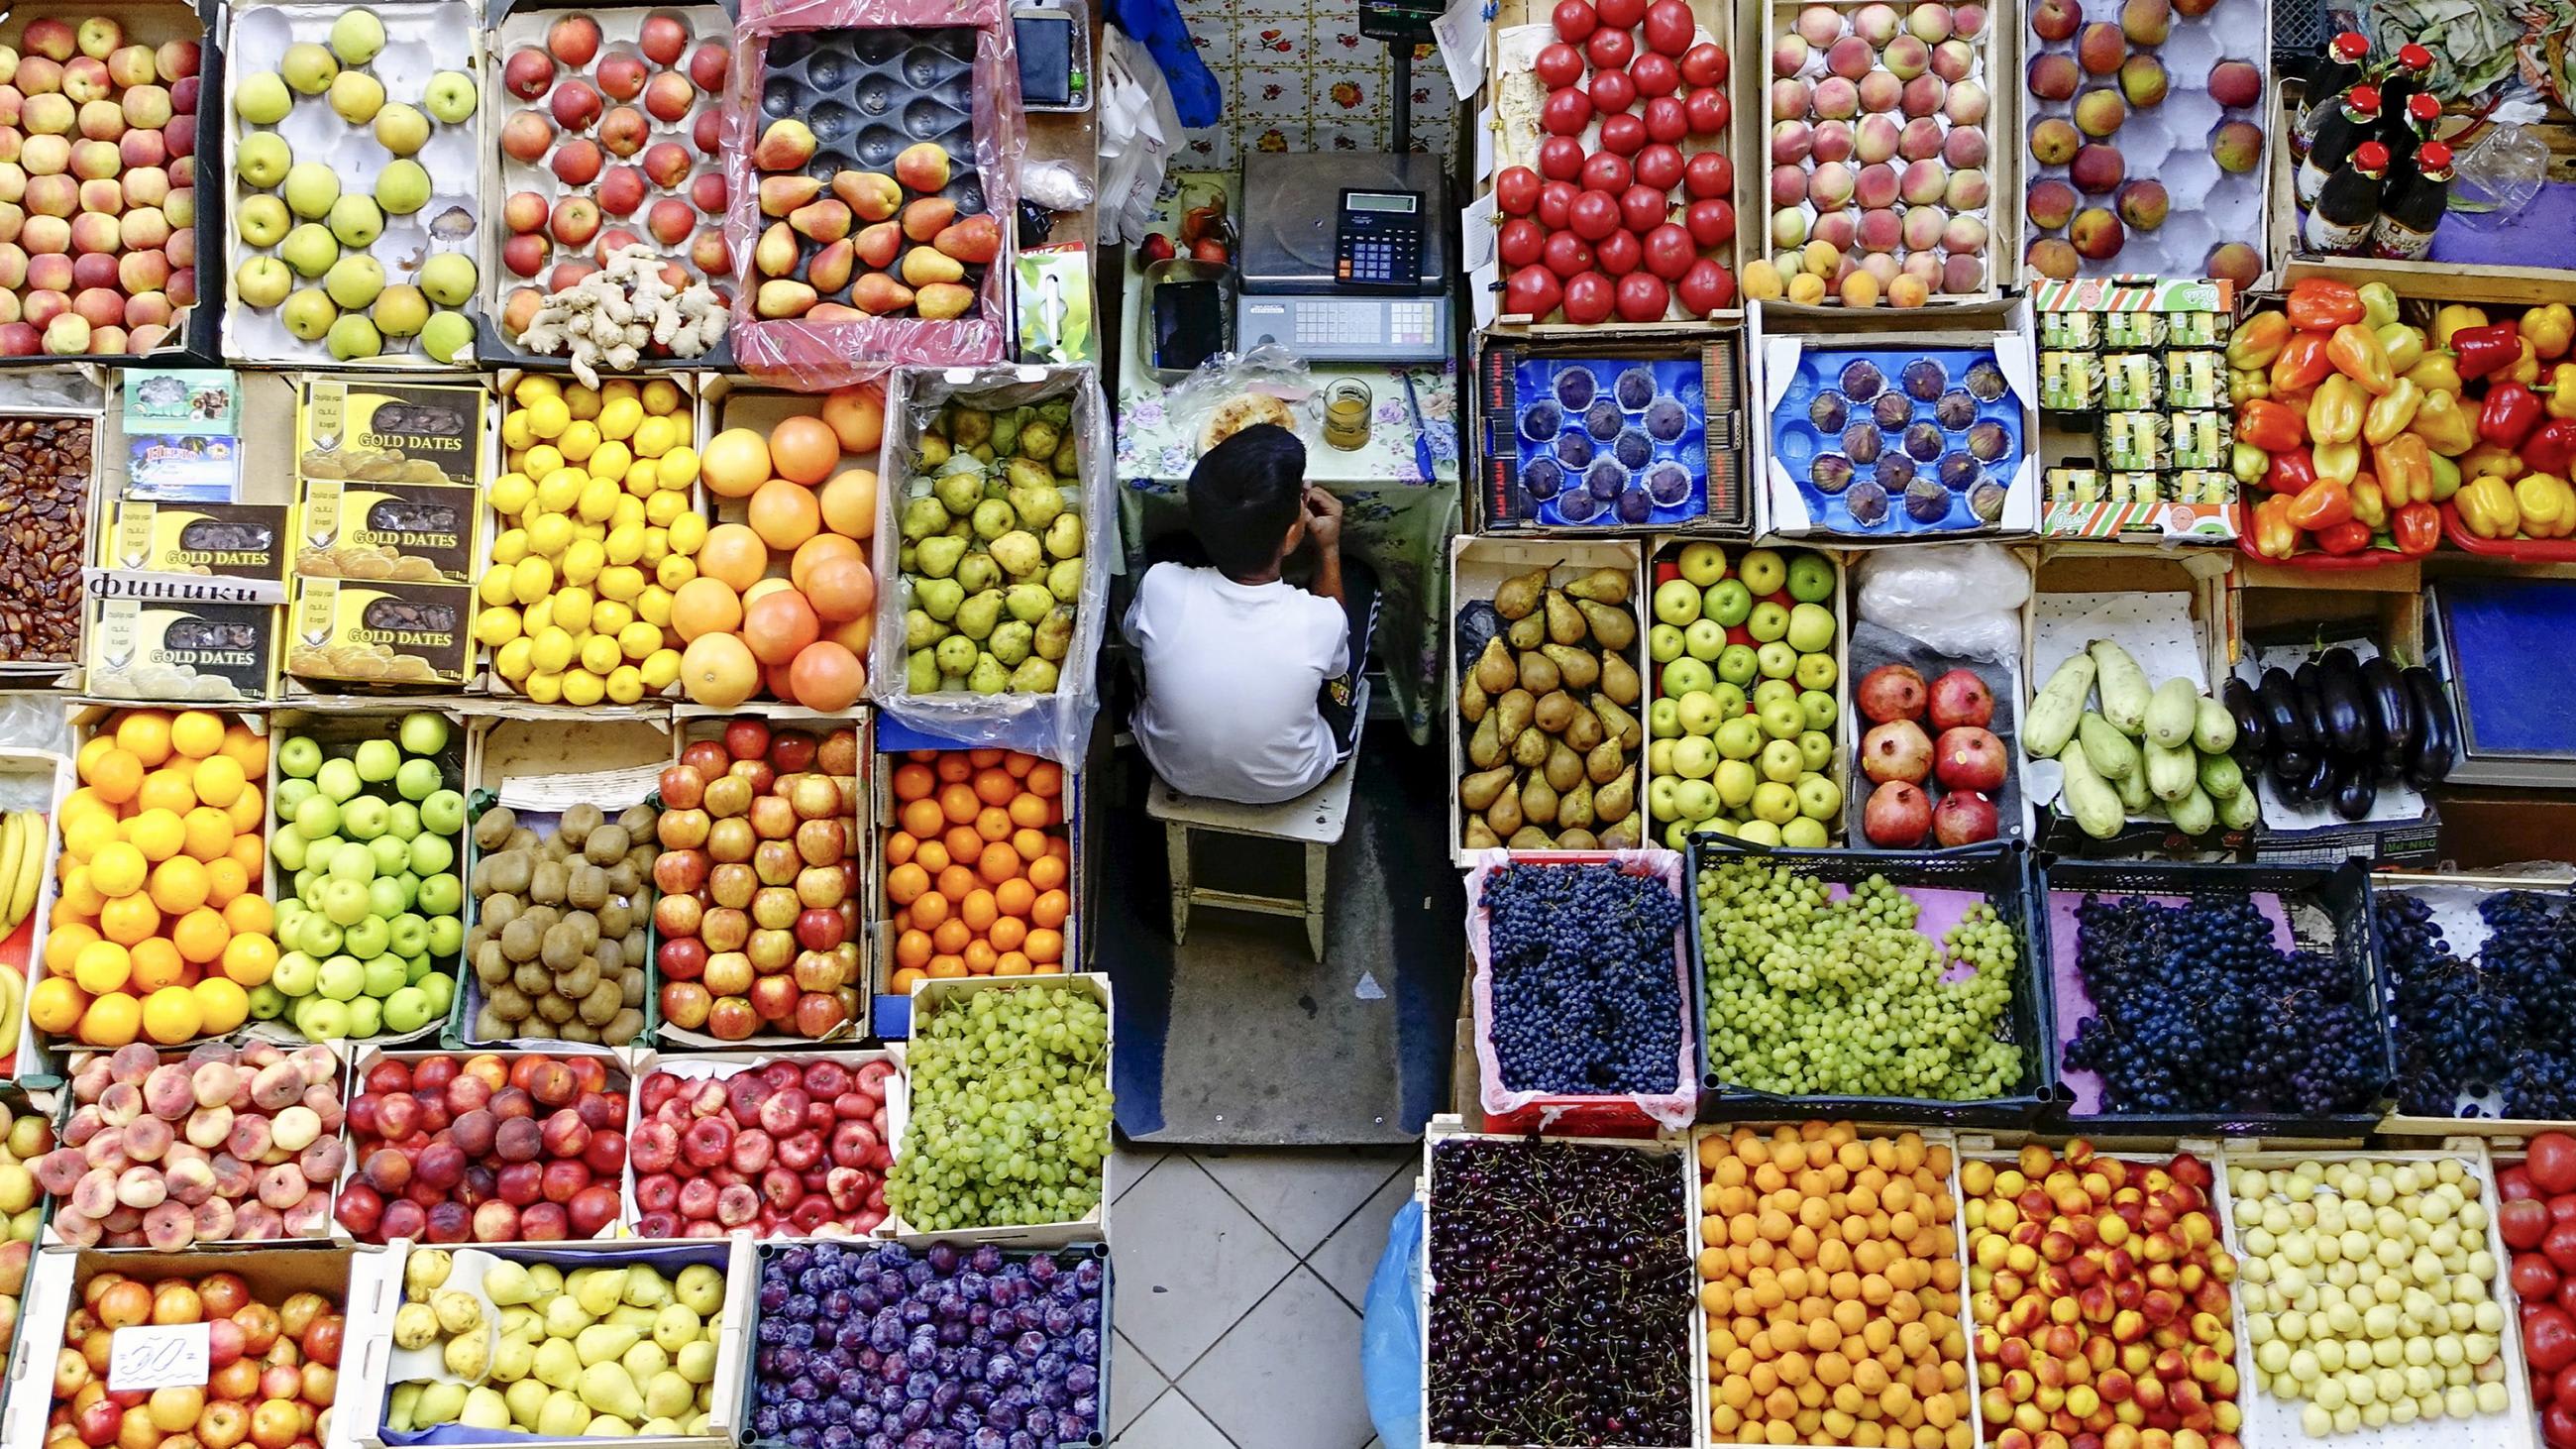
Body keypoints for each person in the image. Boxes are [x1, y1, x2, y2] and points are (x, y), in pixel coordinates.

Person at [1124, 423, 1377, 805]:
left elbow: (1133, 638)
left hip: (1171, 766)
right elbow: (1334, 668)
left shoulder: (1159, 584)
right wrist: (1328, 548)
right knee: (1357, 582)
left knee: (1166, 550)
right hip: (1290, 780)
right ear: (1294, 533)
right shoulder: (1319, 621)